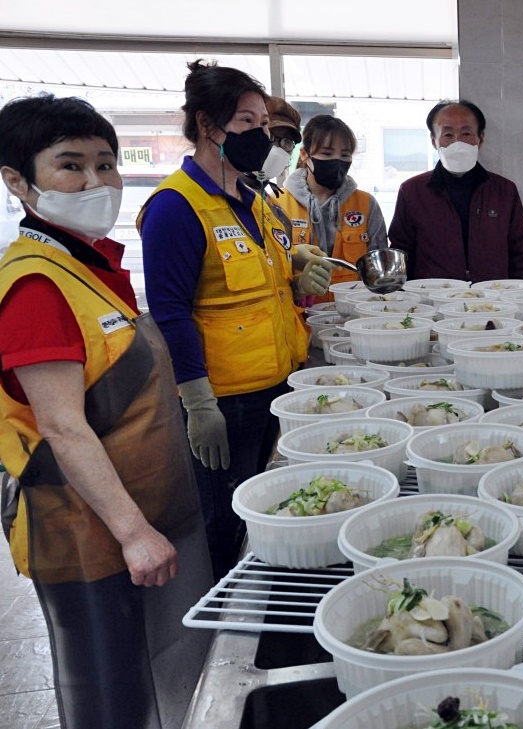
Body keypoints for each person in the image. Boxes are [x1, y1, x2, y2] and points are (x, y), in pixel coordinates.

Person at [0, 94, 212, 729]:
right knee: (110, 692)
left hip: (146, 513)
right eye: (70, 165)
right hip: (87, 534)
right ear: (18, 181)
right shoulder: (36, 284)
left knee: (166, 671)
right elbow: (63, 426)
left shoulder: (89, 265)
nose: (95, 182)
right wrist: (132, 532)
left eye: (106, 164)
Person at [138, 61, 331, 577]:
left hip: (279, 384)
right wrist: (199, 404)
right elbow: (172, 313)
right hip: (228, 401)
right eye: (247, 123)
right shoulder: (175, 207)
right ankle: (227, 623)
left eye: (264, 125)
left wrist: (297, 263)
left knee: (277, 511)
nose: (262, 136)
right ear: (208, 126)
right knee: (229, 520)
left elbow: (264, 266)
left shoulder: (253, 196)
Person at [387, 100, 523, 282]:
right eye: (448, 135)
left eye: (466, 133)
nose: (457, 142)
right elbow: (401, 252)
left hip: (493, 302)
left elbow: (519, 255)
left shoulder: (504, 191)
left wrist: (520, 295)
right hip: (433, 301)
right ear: (434, 140)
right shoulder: (412, 191)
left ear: (480, 138)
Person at [280, 114, 388, 292]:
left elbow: (379, 268)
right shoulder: (277, 204)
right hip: (299, 314)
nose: (337, 160)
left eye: (345, 155)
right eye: (327, 153)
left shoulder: (366, 204)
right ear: (305, 154)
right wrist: (299, 287)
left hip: (355, 312)